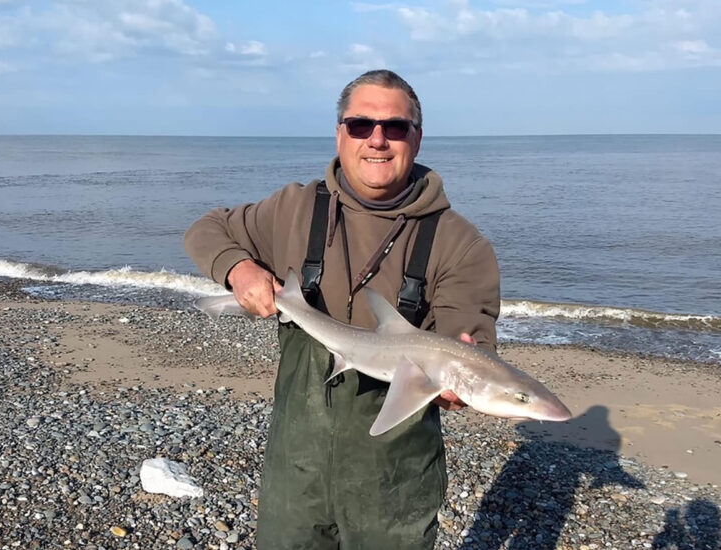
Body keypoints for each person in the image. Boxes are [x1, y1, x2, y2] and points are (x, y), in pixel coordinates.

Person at [184, 69, 500, 549]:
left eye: (395, 127)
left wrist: (457, 382)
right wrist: (239, 269)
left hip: (392, 479)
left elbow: (468, 341)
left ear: (417, 137)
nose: (377, 140)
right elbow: (206, 230)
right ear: (340, 133)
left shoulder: (460, 244)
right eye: (360, 125)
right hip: (296, 466)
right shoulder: (293, 209)